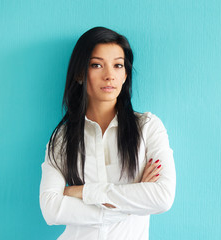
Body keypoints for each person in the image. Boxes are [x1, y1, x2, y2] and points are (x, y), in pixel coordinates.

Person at [39, 26, 176, 240]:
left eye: (118, 65)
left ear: (125, 74)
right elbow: (50, 208)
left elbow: (163, 197)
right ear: (80, 74)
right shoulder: (62, 138)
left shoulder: (148, 128)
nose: (109, 75)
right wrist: (134, 198)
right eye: (96, 65)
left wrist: (82, 192)